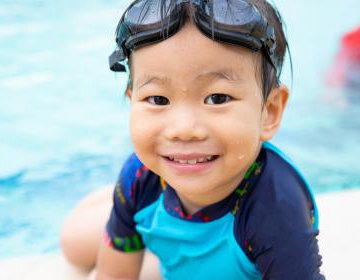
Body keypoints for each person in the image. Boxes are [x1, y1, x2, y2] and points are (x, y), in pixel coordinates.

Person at [60, 0, 325, 279]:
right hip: (173, 246)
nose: (183, 129)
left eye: (217, 98)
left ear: (268, 112)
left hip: (207, 258)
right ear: (132, 102)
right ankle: (111, 203)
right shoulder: (139, 177)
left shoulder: (275, 208)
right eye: (158, 99)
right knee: (74, 244)